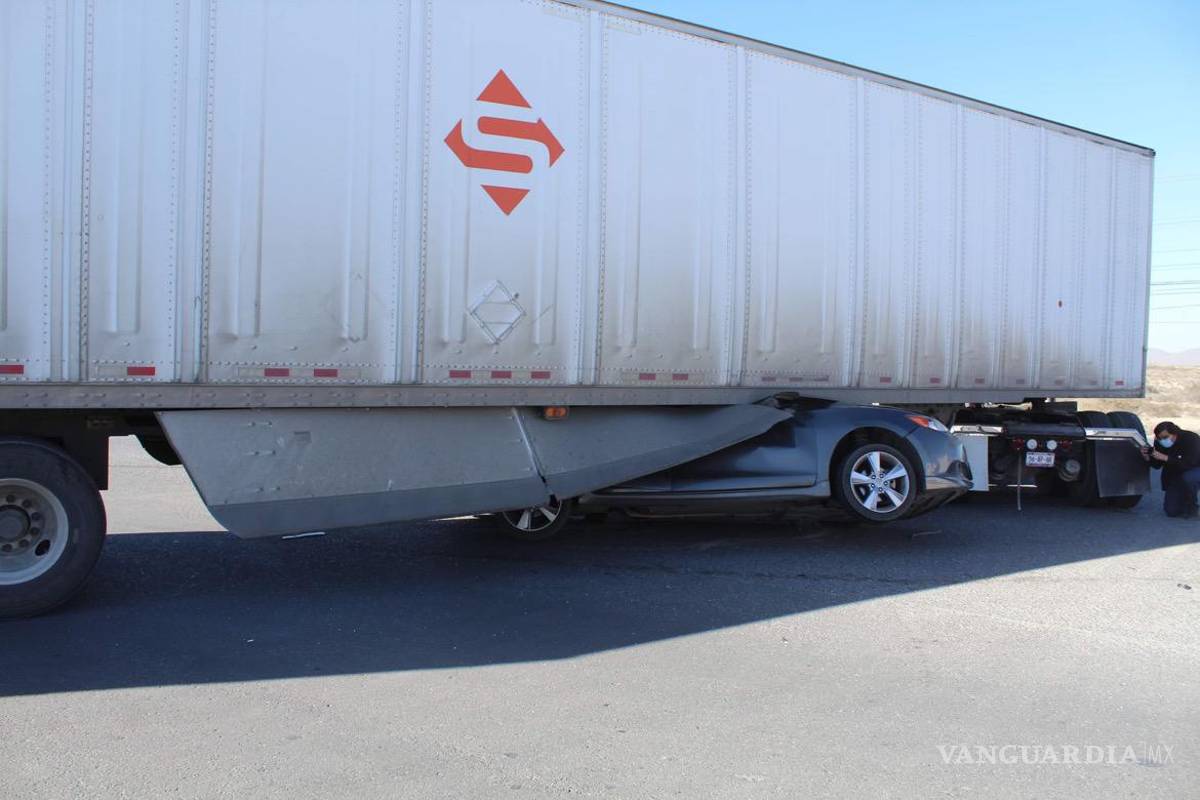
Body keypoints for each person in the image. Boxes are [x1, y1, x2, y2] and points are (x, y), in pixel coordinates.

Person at [1142, 421, 1200, 518]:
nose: (1162, 440)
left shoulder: (1191, 438)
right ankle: (1185, 503)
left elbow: (1190, 463)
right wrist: (1148, 457)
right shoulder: (1160, 443)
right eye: (1159, 438)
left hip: (1195, 470)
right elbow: (1157, 465)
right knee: (1172, 511)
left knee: (1189, 477)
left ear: (1175, 433)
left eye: (1165, 437)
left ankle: (1193, 506)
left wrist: (1166, 458)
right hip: (1177, 476)